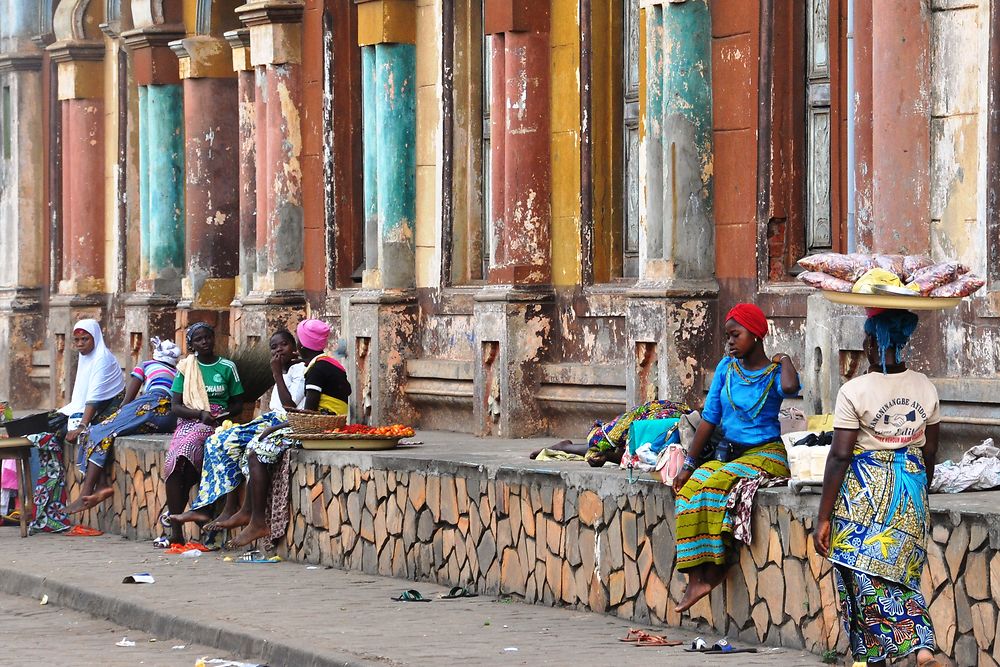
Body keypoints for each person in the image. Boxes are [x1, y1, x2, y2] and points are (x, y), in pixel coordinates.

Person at [814, 309, 941, 667]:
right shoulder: (925, 387)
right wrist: (920, 494)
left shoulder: (855, 390)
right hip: (912, 489)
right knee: (901, 578)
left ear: (871, 343)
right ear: (903, 344)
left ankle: (915, 647)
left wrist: (823, 517)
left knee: (862, 578)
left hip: (864, 496)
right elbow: (929, 450)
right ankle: (919, 651)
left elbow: (839, 456)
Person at [671, 303, 800, 613]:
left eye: (736, 335)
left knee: (714, 486)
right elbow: (710, 418)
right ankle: (694, 575)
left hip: (767, 454)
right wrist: (689, 464)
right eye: (727, 336)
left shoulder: (774, 373)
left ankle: (714, 571)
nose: (729, 342)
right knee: (689, 489)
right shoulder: (726, 370)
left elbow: (791, 387)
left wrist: (786, 359)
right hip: (731, 454)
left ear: (755, 335)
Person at [227, 318, 350, 548]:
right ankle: (249, 514)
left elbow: (307, 414)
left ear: (300, 346)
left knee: (257, 450)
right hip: (323, 421)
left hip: (322, 426)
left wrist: (277, 427)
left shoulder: (315, 370)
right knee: (253, 445)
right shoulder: (327, 363)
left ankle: (258, 522)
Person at [170, 330, 305, 531]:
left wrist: (276, 373)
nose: (278, 350)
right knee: (216, 442)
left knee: (230, 442)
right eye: (274, 347)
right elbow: (175, 404)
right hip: (267, 420)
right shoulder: (284, 371)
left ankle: (239, 512)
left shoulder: (300, 370)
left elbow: (289, 408)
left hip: (284, 423)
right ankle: (217, 508)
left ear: (295, 348)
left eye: (284, 345)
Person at [30, 319, 126, 532]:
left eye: (85, 339)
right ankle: (47, 501)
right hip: (93, 409)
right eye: (77, 340)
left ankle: (92, 489)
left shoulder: (102, 358)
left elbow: (94, 398)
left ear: (95, 338)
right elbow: (81, 397)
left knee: (88, 434)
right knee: (51, 426)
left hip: (109, 409)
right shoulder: (85, 358)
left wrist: (82, 425)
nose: (80, 344)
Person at [66, 337, 180, 514]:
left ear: (155, 355)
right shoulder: (178, 372)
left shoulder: (145, 365)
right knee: (108, 433)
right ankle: (101, 485)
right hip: (170, 418)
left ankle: (87, 492)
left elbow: (129, 399)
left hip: (150, 405)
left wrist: (117, 415)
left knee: (97, 430)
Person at [163, 322, 244, 544]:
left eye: (207, 337)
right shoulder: (186, 368)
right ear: (192, 344)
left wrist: (222, 414)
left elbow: (238, 403)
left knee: (188, 455)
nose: (204, 342)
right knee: (173, 464)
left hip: (217, 422)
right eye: (199, 339)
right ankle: (176, 530)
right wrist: (199, 414)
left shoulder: (227, 367)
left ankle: (195, 516)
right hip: (191, 420)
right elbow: (176, 406)